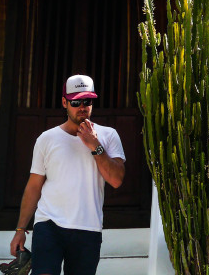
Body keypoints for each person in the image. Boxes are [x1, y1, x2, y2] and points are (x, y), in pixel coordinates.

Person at [10, 74, 126, 275]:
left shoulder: (108, 135)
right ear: (64, 102)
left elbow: (116, 180)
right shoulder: (47, 139)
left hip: (88, 228)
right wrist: (20, 230)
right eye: (76, 101)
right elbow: (34, 186)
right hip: (49, 224)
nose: (82, 106)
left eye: (87, 101)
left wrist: (94, 145)